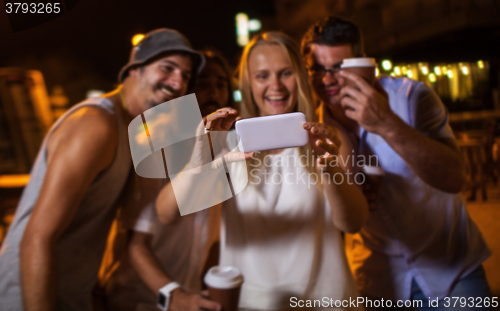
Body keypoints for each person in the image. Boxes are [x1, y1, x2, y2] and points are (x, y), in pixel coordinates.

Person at [156, 32, 369, 310]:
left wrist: (329, 168)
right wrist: (197, 168)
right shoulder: (228, 145)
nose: (275, 86)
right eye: (262, 76)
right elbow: (165, 213)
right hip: (251, 302)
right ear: (248, 84)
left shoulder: (326, 139)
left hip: (327, 300)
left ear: (300, 78)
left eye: (285, 73)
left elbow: (352, 223)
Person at [0, 28, 204, 311]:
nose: (177, 82)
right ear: (135, 68)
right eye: (167, 68)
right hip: (26, 297)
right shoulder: (97, 123)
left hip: (70, 293)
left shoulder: (134, 132)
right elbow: (37, 238)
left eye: (185, 75)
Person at [301, 16, 492, 309]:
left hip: (454, 270)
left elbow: (456, 178)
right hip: (379, 280)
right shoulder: (312, 130)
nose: (326, 80)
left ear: (362, 63)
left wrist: (387, 124)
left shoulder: (411, 97)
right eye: (317, 69)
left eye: (338, 68)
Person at [102, 49, 235, 311]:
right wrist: (173, 295)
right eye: (203, 82)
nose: (214, 92)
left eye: (221, 84)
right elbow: (136, 244)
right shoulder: (156, 147)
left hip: (189, 298)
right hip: (138, 299)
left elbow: (210, 238)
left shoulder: (223, 152)